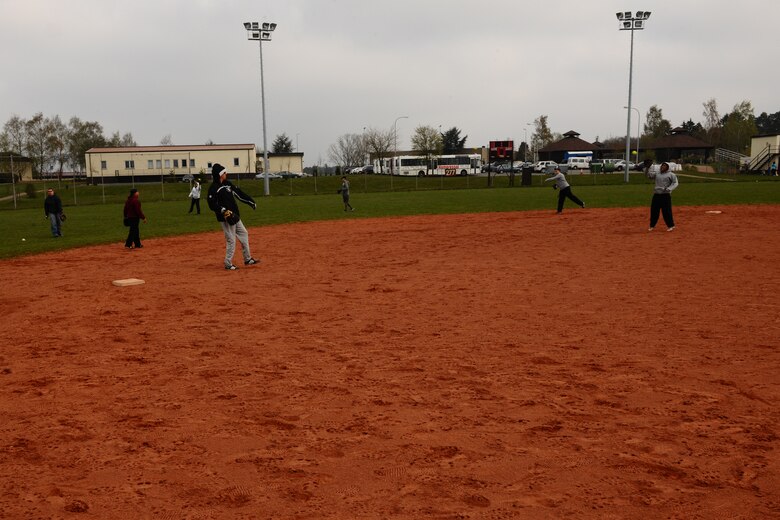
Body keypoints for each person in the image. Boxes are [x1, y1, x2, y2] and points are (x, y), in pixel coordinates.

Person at [207, 163, 258, 270]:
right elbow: (211, 203)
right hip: (226, 218)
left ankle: (247, 259)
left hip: (235, 216)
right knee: (231, 240)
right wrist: (222, 210)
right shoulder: (214, 188)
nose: (226, 174)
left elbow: (239, 194)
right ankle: (228, 263)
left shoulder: (228, 184)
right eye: (224, 172)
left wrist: (250, 202)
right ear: (220, 174)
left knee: (244, 233)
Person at [643, 160, 679, 232]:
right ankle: (652, 226)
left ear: (668, 167)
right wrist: (647, 168)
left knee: (666, 211)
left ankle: (671, 225)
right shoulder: (657, 173)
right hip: (656, 195)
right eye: (662, 165)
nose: (663, 167)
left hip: (665, 195)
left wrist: (669, 189)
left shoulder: (671, 174)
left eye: (665, 166)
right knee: (654, 211)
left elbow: (675, 183)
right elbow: (649, 176)